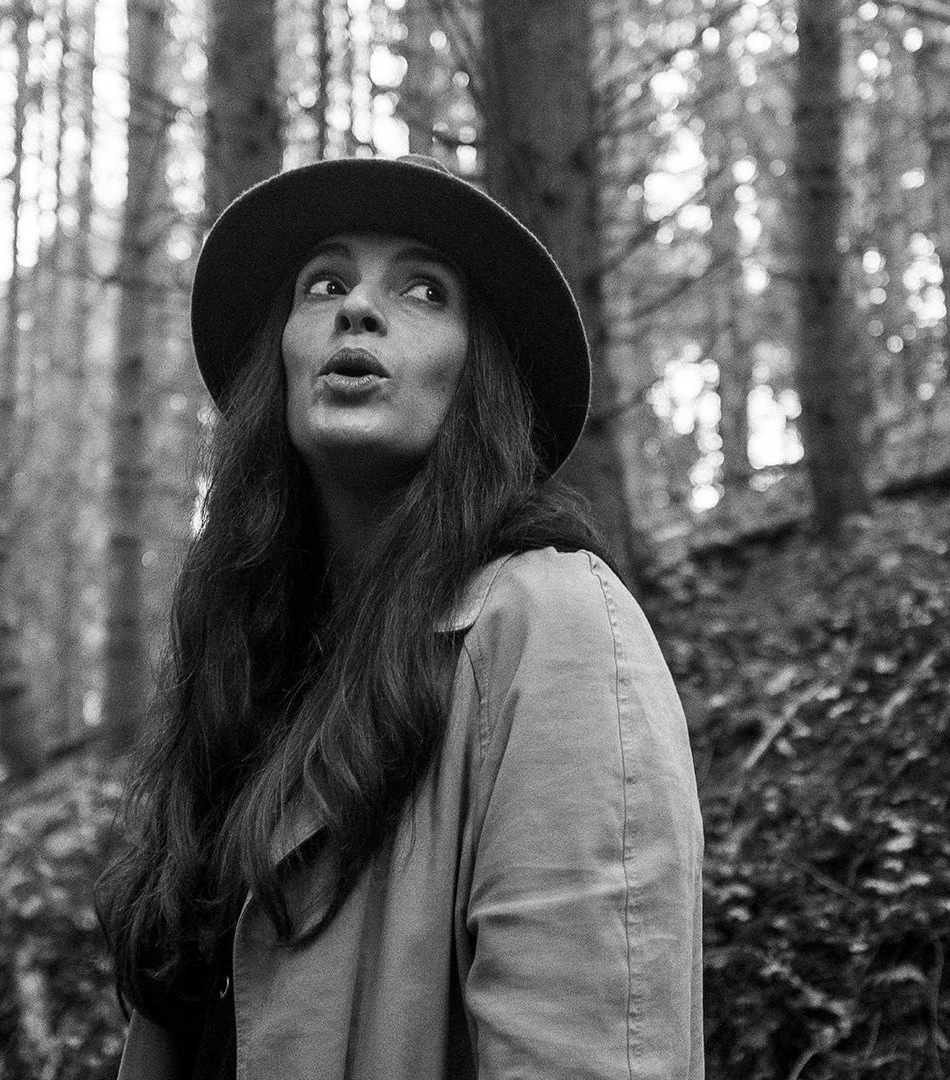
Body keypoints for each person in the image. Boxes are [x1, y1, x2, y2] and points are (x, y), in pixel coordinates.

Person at [98, 154, 704, 1080]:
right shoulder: (244, 670)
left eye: (424, 291)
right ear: (284, 357)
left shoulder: (554, 627)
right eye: (325, 283)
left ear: (478, 376)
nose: (358, 309)